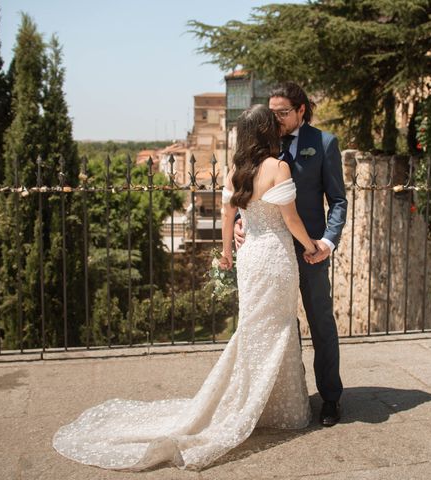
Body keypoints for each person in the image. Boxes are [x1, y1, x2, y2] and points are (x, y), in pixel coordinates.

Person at [53, 104, 318, 471]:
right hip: (276, 257)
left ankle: (257, 402)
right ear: (266, 133)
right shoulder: (278, 167)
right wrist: (310, 246)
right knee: (278, 328)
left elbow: (229, 217)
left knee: (255, 329)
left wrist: (227, 254)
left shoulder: (234, 172)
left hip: (251, 260)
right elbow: (291, 219)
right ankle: (276, 410)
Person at [235, 82, 347, 427]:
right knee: (279, 326)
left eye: (284, 112)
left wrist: (327, 242)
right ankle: (292, 395)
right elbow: (247, 189)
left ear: (302, 110)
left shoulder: (324, 143)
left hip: (310, 251)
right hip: (271, 252)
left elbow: (338, 201)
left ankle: (330, 398)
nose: (277, 118)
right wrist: (242, 221)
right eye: (273, 113)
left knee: (321, 323)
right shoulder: (260, 148)